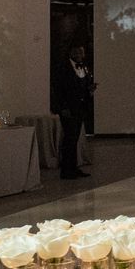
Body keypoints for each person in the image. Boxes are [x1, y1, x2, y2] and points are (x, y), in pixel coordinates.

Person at [53, 43, 95, 180]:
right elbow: (58, 90)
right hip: (68, 109)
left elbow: (84, 85)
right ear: (71, 53)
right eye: (76, 52)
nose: (79, 55)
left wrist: (90, 90)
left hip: (81, 108)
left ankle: (73, 168)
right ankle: (66, 170)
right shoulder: (63, 68)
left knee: (75, 139)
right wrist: (62, 108)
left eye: (81, 52)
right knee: (69, 139)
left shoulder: (85, 67)